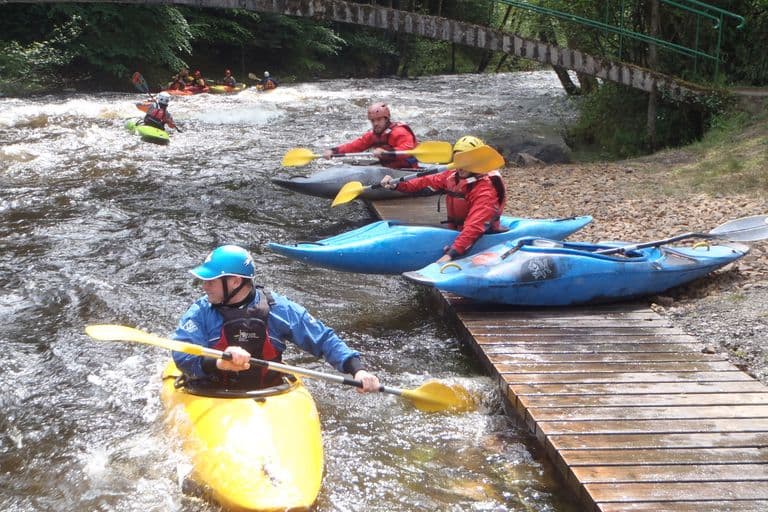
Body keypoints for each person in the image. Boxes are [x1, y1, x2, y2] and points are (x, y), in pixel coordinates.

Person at [171, 245, 381, 392]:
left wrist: (358, 370)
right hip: (210, 391)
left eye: (210, 281)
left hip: (268, 393)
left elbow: (323, 340)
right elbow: (182, 355)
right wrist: (220, 362)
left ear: (234, 282)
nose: (204, 287)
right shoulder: (201, 312)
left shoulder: (279, 309)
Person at [380, 136, 506, 262]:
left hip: (482, 236)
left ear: (476, 161)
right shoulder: (452, 175)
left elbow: (475, 226)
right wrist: (397, 185)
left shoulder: (485, 189)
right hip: (456, 232)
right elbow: (424, 181)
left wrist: (451, 254)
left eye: (465, 160)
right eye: (458, 159)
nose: (460, 166)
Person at [322, 103, 419, 169]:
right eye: (373, 121)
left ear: (386, 119)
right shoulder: (373, 135)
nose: (375, 123)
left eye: (379, 119)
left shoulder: (399, 131)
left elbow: (406, 151)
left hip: (407, 169)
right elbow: (353, 146)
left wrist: (386, 152)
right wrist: (333, 151)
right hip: (388, 168)